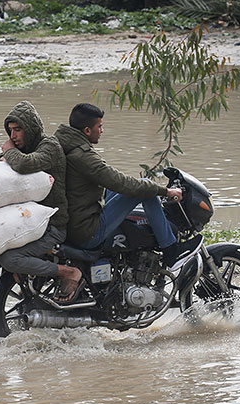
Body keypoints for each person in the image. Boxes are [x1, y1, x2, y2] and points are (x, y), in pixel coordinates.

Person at [54, 103, 203, 301]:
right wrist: (165, 191)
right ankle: (170, 250)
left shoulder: (63, 145)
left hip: (74, 223)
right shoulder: (82, 156)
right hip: (87, 231)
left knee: (135, 188)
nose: (102, 131)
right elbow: (119, 182)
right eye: (100, 127)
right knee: (144, 187)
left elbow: (108, 182)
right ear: (87, 130)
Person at [0, 100, 83, 293]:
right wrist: (2, 157)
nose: (13, 136)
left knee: (10, 259)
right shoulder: (20, 149)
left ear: (30, 129)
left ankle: (68, 272)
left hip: (52, 225)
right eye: (10, 130)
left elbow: (25, 164)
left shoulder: (49, 146)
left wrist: (10, 152)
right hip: (29, 223)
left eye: (18, 129)